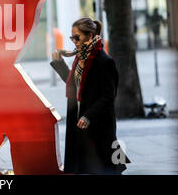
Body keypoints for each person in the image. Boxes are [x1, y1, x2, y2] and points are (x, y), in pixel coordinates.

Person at [50, 17, 129, 174]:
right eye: (72, 37)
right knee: (87, 165)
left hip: (98, 121)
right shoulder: (80, 57)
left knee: (107, 164)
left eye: (77, 37)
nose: (73, 41)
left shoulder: (104, 61)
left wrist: (88, 116)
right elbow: (73, 83)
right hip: (80, 118)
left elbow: (108, 96)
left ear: (90, 36)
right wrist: (58, 63)